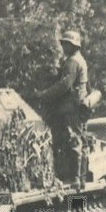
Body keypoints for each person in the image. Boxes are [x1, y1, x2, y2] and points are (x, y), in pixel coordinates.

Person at [37, 30, 89, 184]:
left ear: (74, 45)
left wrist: (44, 94)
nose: (64, 46)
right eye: (64, 43)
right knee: (77, 141)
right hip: (75, 107)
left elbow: (64, 85)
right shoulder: (79, 60)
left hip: (70, 108)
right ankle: (80, 177)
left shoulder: (73, 62)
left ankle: (74, 178)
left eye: (67, 44)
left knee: (72, 141)